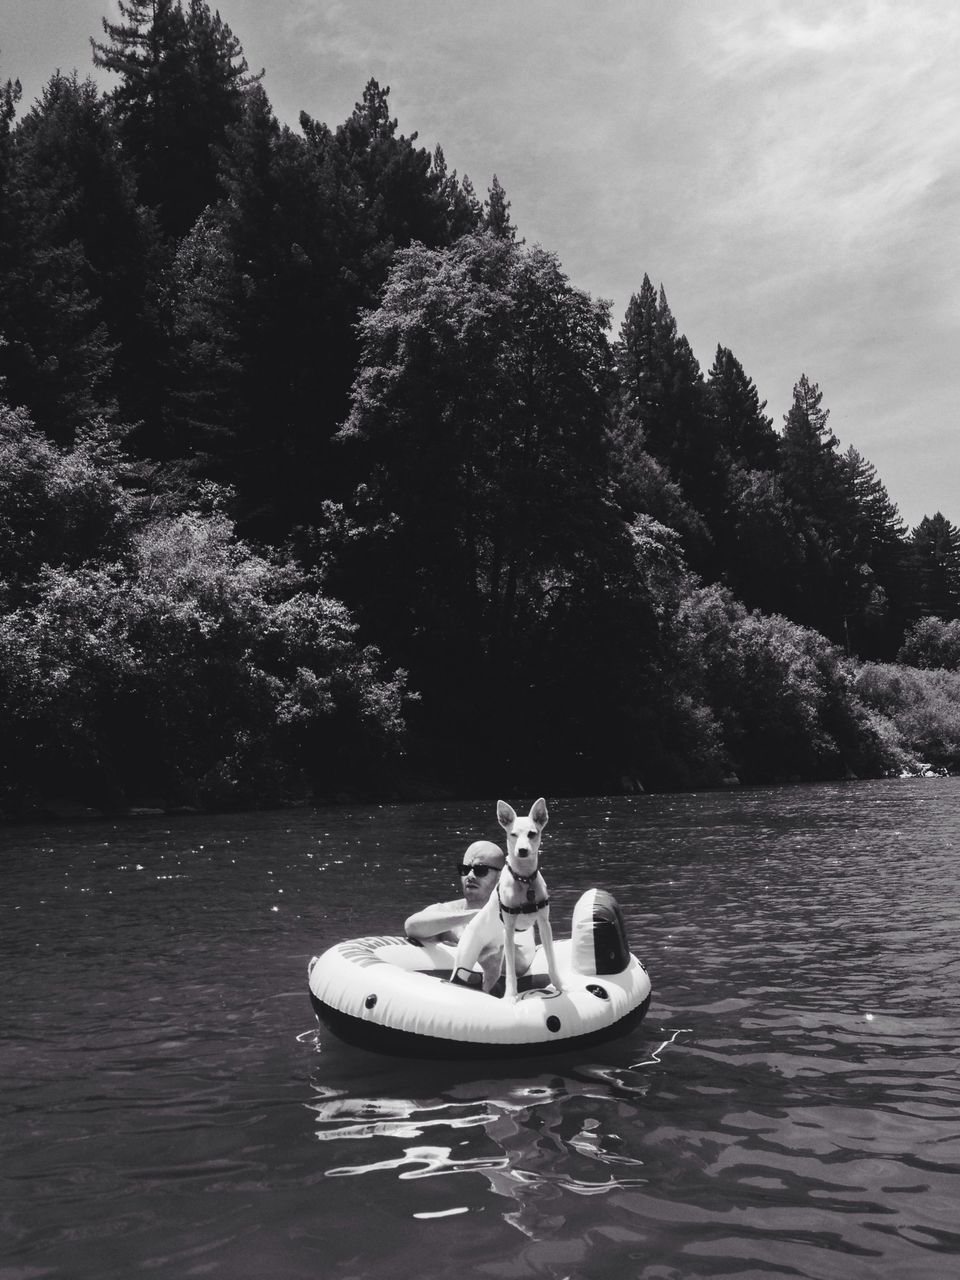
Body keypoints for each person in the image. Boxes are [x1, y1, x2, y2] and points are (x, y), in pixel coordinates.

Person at [404, 839, 535, 990]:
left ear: (500, 877)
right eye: (465, 869)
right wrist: (471, 918)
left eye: (480, 870)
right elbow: (411, 927)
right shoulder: (448, 911)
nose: (470, 876)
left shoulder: (516, 916)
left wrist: (477, 935)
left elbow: (521, 964)